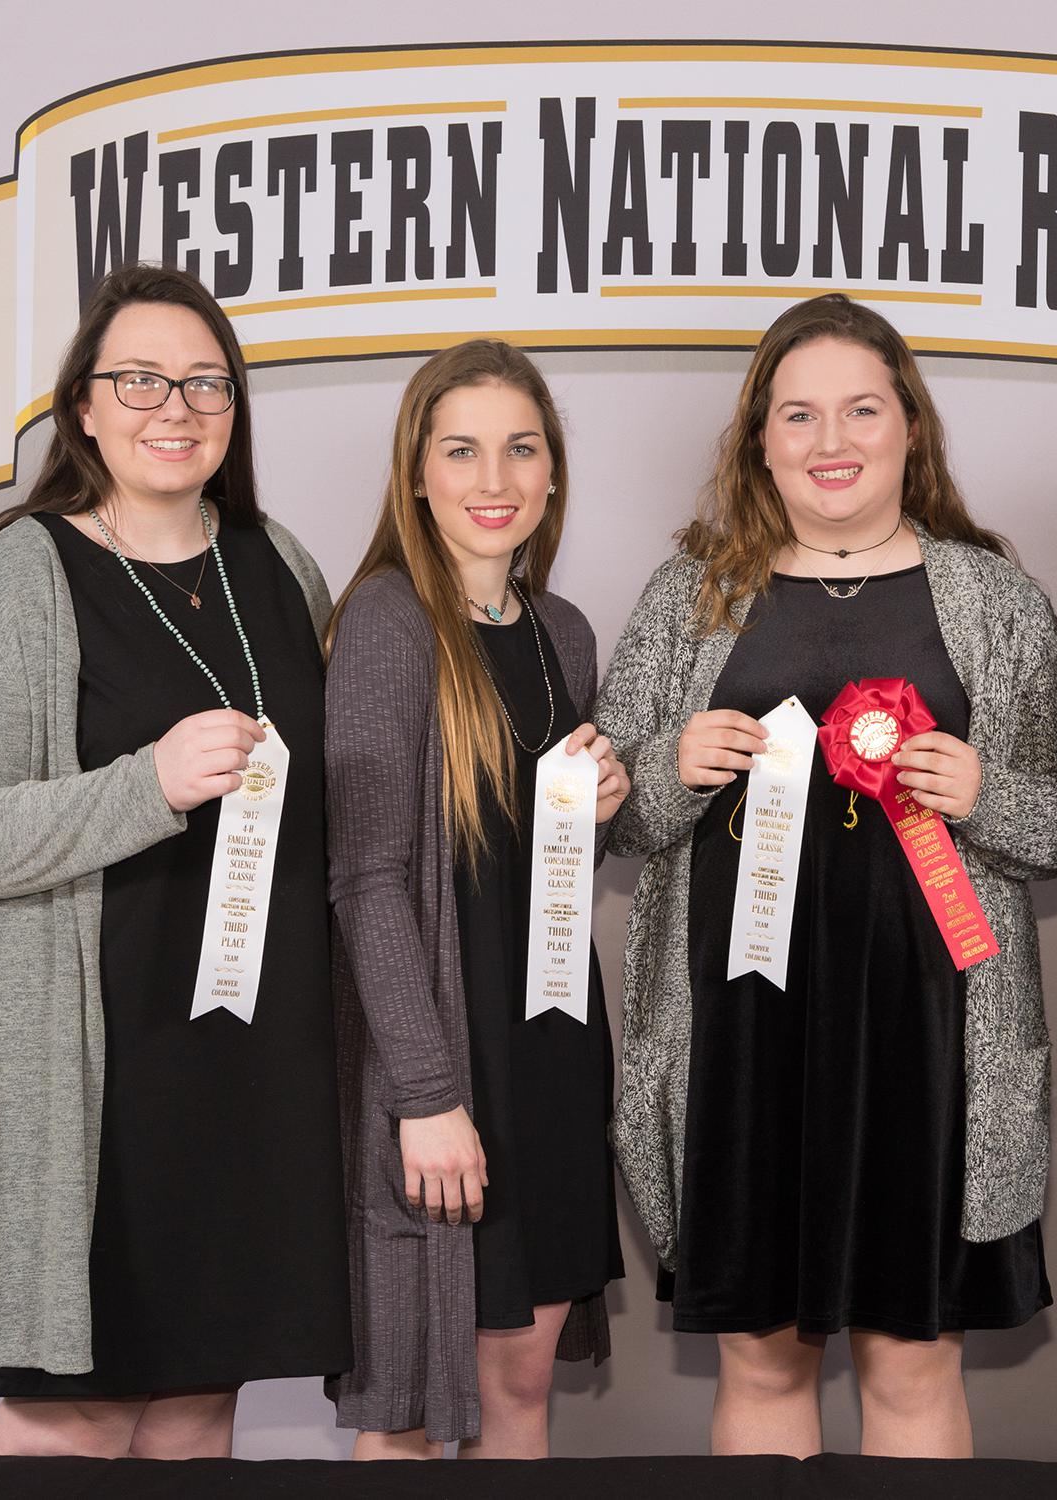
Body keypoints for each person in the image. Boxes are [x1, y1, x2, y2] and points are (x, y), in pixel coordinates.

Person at [593, 293, 1057, 1458]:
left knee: (912, 1370)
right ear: (758, 440)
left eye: (861, 409)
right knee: (761, 1368)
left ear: (907, 427)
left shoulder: (992, 598)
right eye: (799, 414)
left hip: (929, 1042)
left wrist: (988, 795)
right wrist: (663, 769)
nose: (832, 441)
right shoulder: (689, 597)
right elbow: (612, 808)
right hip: (736, 1042)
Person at [0, 263, 350, 1457]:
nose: (175, 407)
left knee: (203, 1398)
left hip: (251, 1068)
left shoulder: (276, 564)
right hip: (96, 1085)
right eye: (138, 379)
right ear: (81, 407)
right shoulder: (16, 580)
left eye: (205, 383)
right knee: (71, 1415)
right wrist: (141, 786)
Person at [323, 340, 629, 1457]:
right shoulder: (386, 624)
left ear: (550, 473)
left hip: (550, 1053)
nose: (492, 478)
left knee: (518, 1395)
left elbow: (528, 875)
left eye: (520, 447)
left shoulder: (565, 634)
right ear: (416, 472)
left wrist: (597, 811)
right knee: (405, 1410)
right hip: (442, 1064)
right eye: (460, 449)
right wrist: (424, 1092)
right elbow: (363, 880)